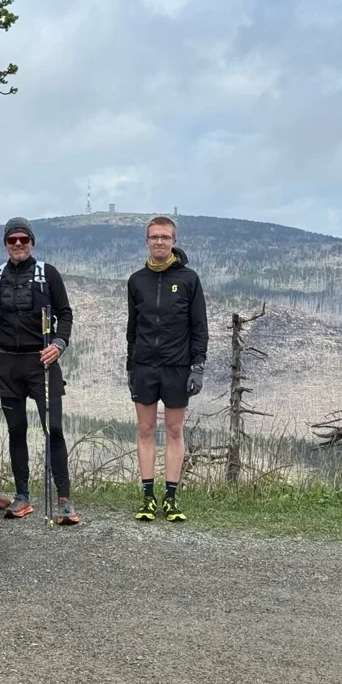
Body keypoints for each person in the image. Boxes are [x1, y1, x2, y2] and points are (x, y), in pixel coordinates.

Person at [0, 217, 79, 525]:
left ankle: (63, 499)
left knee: (54, 429)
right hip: (7, 363)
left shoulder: (48, 273)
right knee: (16, 430)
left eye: (23, 239)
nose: (18, 244)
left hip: (42, 361)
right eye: (12, 240)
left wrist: (59, 344)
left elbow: (65, 313)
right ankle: (22, 496)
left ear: (32, 242)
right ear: (5, 244)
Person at [126, 215, 208, 523]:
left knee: (174, 431)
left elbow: (199, 326)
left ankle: (170, 499)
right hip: (144, 366)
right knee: (145, 430)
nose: (159, 241)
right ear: (146, 241)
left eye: (165, 237)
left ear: (174, 241)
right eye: (154, 237)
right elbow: (132, 328)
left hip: (177, 366)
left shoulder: (189, 279)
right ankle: (148, 497)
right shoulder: (137, 281)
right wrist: (130, 366)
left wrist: (198, 366)